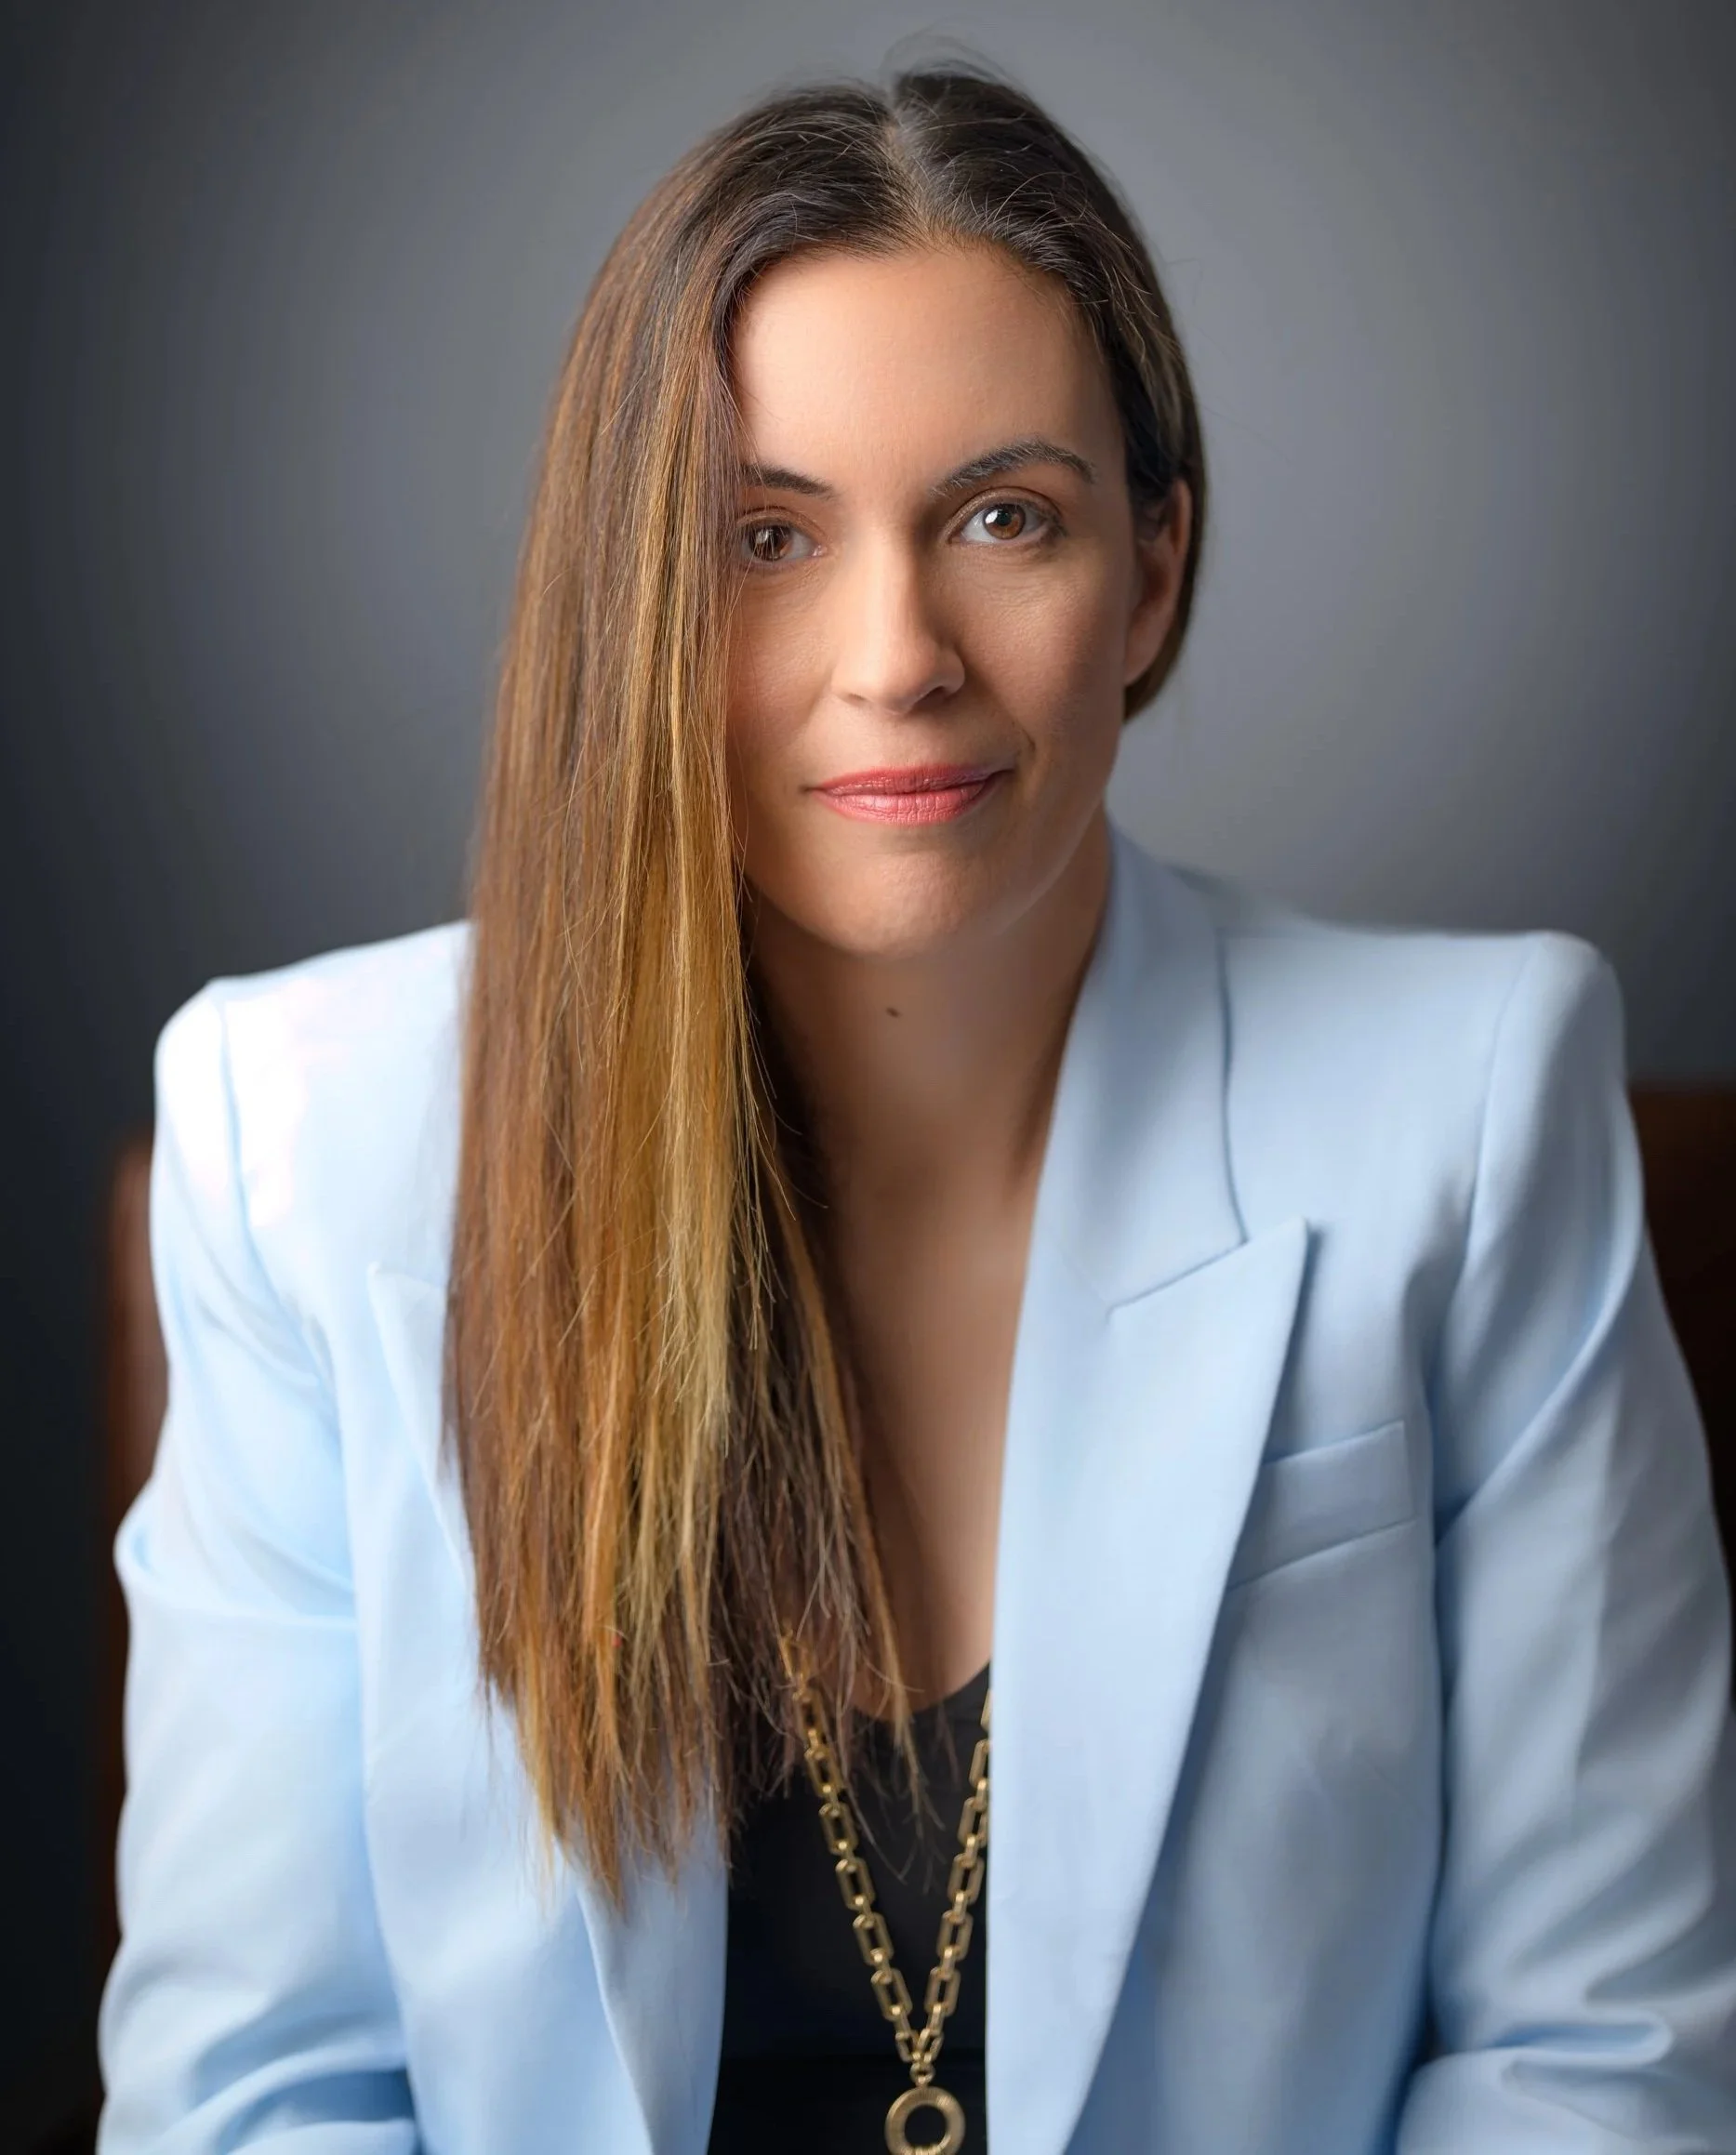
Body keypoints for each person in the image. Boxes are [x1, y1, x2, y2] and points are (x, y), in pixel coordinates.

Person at [98, 59, 1736, 2155]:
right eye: (764, 537)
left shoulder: (1477, 1113)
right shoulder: (299, 1140)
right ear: (635, 599)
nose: (895, 655)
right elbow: (260, 2094)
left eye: (1002, 518)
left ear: (1151, 571)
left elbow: (1595, 2061)